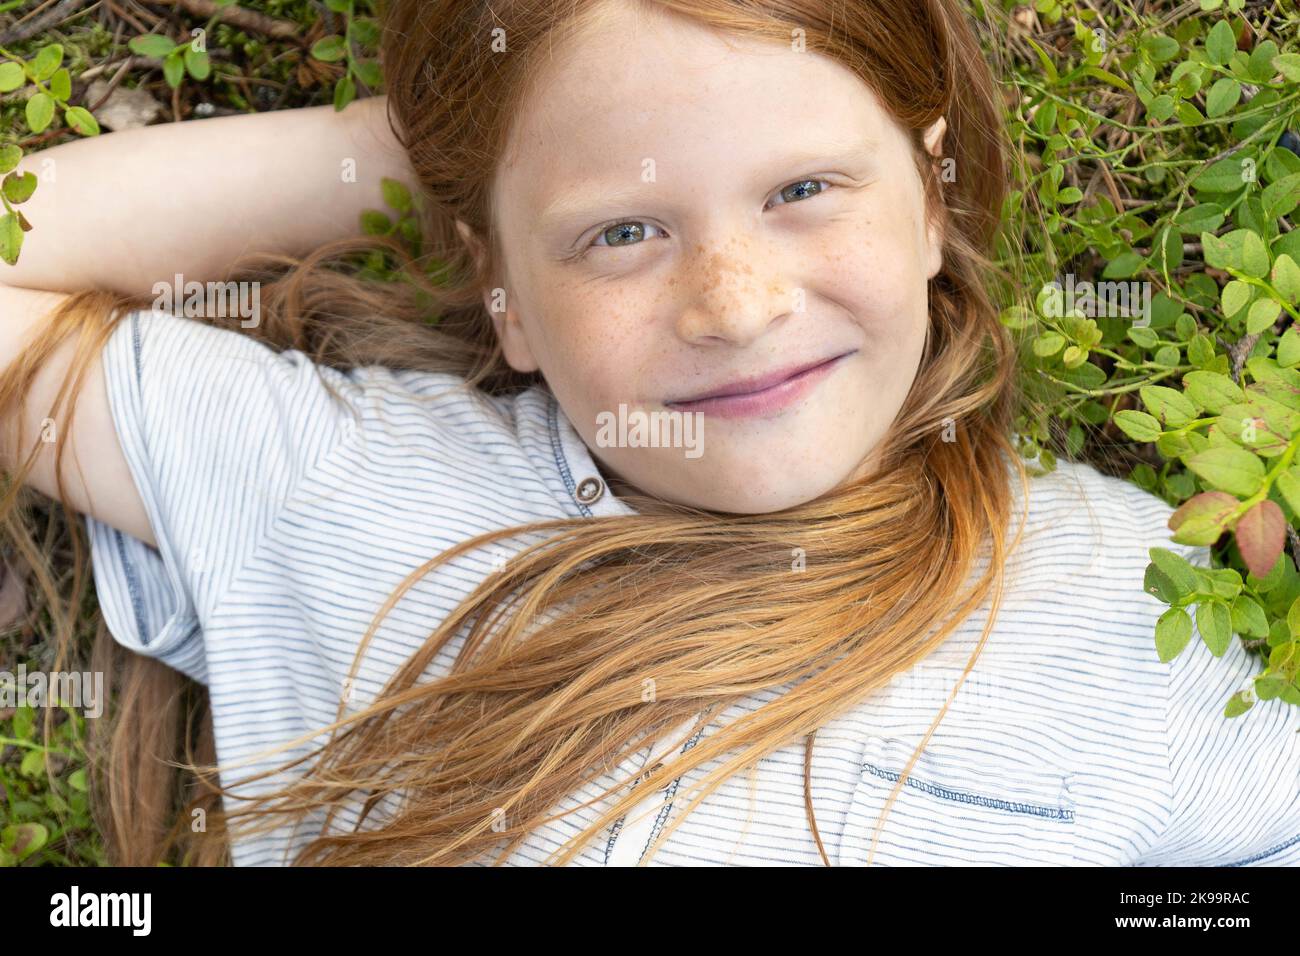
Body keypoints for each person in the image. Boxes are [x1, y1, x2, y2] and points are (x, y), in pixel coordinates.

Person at [1, 0, 1296, 867]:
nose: (734, 306)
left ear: (929, 201)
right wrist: (434, 151)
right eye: (621, 229)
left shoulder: (1141, 590)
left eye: (803, 189)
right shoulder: (338, 484)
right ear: (502, 294)